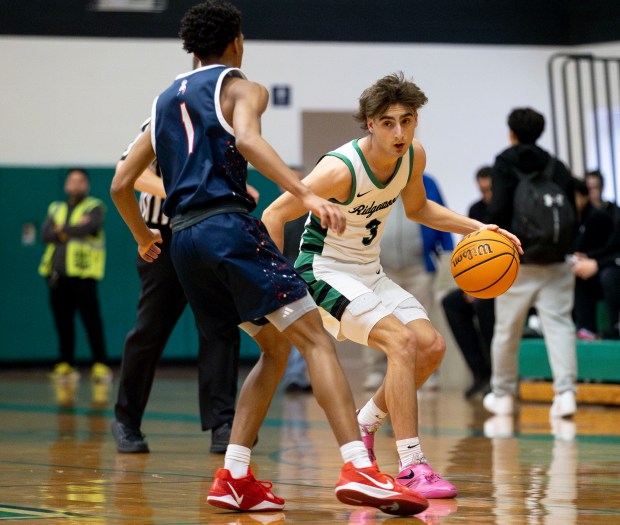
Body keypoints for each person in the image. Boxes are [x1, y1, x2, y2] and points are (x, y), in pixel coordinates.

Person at [110, 1, 428, 516]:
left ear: (191, 47)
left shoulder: (164, 100)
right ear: (236, 40)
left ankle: (234, 476)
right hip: (227, 227)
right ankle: (360, 467)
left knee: (276, 348)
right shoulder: (242, 86)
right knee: (314, 339)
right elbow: (250, 141)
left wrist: (143, 233)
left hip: (185, 242)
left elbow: (121, 183)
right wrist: (305, 195)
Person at [262, 71, 521, 499]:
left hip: (369, 270)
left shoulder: (413, 156)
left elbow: (419, 208)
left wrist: (478, 228)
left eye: (407, 120)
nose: (399, 132)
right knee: (401, 343)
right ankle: (412, 466)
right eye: (387, 122)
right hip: (324, 269)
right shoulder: (338, 169)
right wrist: (277, 288)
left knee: (431, 346)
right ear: (369, 123)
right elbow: (273, 215)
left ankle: (366, 422)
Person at [111, 121, 246, 455]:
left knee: (221, 329)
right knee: (150, 331)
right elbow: (130, 175)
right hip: (162, 238)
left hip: (209, 236)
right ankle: (126, 420)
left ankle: (222, 424)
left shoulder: (226, 125)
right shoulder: (163, 117)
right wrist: (184, 192)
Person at [483, 107, 578, 419]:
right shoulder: (557, 166)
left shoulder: (504, 163)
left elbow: (496, 211)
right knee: (560, 327)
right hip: (555, 261)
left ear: (511, 133)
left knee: (507, 330)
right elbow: (571, 217)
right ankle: (565, 394)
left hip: (517, 261)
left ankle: (504, 395)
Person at [362, 173, 454, 392]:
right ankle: (376, 371)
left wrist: (447, 255)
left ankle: (426, 372)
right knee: (376, 320)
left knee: (422, 321)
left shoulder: (428, 183)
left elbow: (441, 216)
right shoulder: (372, 181)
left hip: (420, 269)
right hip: (380, 268)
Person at [39, 168, 112, 384]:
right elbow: (45, 235)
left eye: (81, 181)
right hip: (57, 275)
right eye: (72, 180)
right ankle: (65, 364)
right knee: (63, 321)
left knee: (92, 321)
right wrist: (71, 228)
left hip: (84, 276)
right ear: (66, 185)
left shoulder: (95, 207)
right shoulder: (56, 208)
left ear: (87, 185)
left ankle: (100, 364)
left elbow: (89, 227)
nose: (76, 184)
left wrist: (62, 230)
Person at [441, 167, 495, 398]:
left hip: (502, 283)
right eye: (481, 190)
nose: (485, 195)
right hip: (478, 281)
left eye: (489, 190)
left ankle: (496, 376)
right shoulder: (475, 209)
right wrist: (468, 284)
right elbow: (467, 250)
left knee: (485, 306)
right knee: (451, 302)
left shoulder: (507, 208)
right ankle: (479, 373)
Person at [570, 177, 620, 340]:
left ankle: (616, 325)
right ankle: (586, 328)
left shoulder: (598, 217)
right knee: (582, 272)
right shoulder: (573, 218)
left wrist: (597, 264)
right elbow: (613, 247)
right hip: (608, 263)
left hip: (612, 270)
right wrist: (589, 258)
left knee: (609, 276)